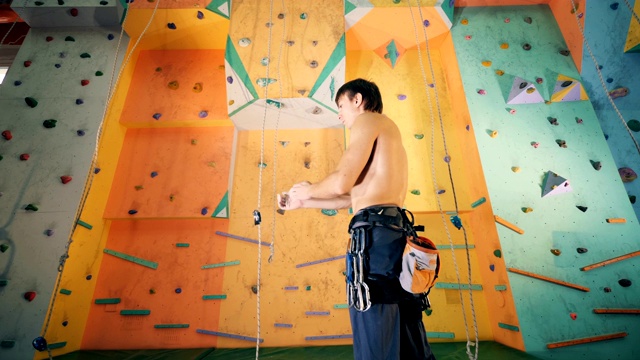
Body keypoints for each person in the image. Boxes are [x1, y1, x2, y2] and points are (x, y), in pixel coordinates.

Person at [278, 78, 436, 360]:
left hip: (376, 237)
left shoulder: (368, 120)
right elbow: (350, 199)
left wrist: (308, 188)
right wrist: (304, 202)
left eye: (340, 105)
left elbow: (341, 182)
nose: (339, 115)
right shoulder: (386, 133)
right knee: (404, 317)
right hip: (393, 233)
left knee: (372, 313)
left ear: (357, 100)